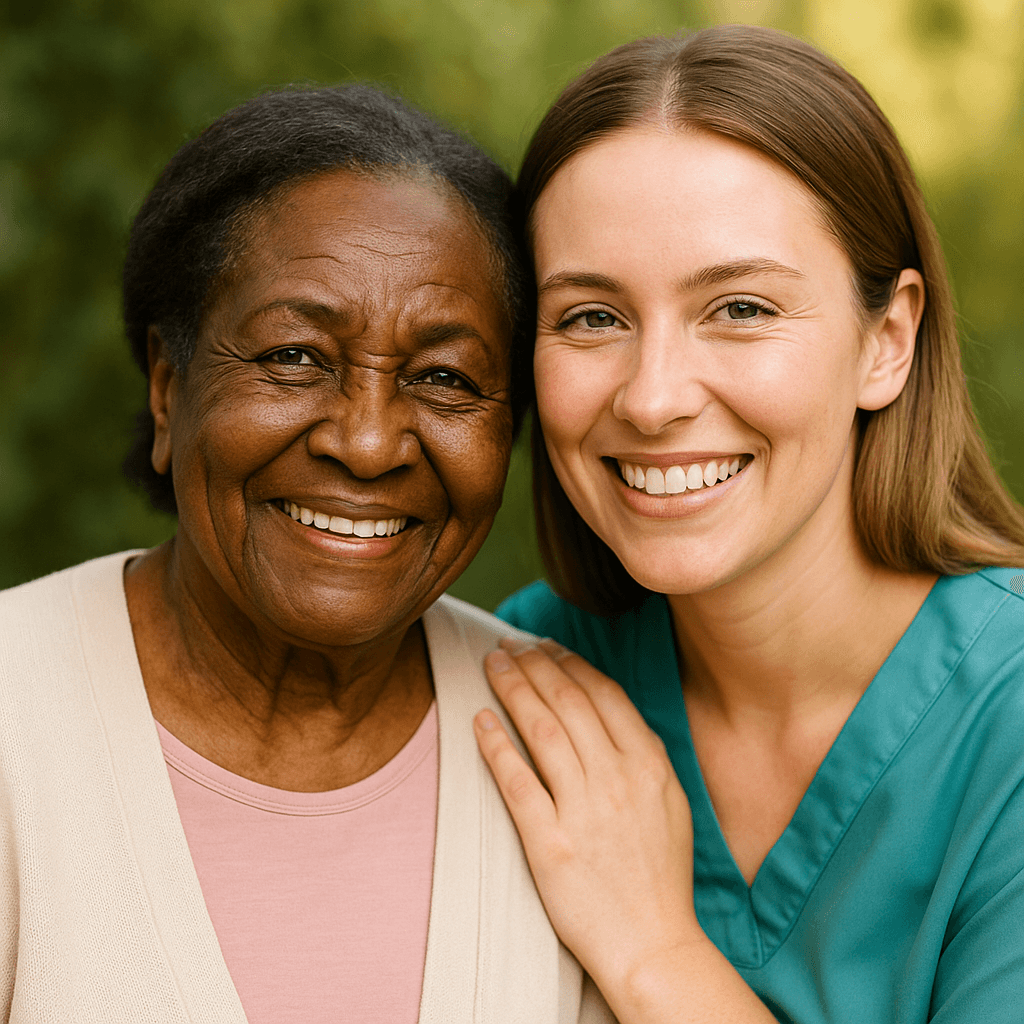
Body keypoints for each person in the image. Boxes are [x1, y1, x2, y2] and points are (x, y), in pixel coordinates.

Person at [0, 85, 614, 1024]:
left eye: (445, 378)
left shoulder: (574, 758)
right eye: (294, 357)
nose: (368, 445)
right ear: (169, 391)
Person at [472, 25, 1024, 1024]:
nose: (651, 398)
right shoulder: (529, 679)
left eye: (738, 307)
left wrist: (653, 952)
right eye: (591, 317)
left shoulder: (1007, 719)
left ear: (885, 341)